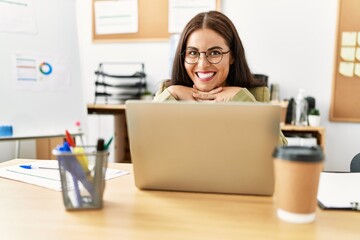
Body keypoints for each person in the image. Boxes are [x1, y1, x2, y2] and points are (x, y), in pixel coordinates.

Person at [153, 11, 287, 145]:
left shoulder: (255, 96)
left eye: (215, 52)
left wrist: (242, 100)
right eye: (193, 53)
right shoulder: (168, 94)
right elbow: (147, 145)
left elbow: (279, 153)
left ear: (232, 56)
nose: (203, 64)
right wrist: (172, 93)